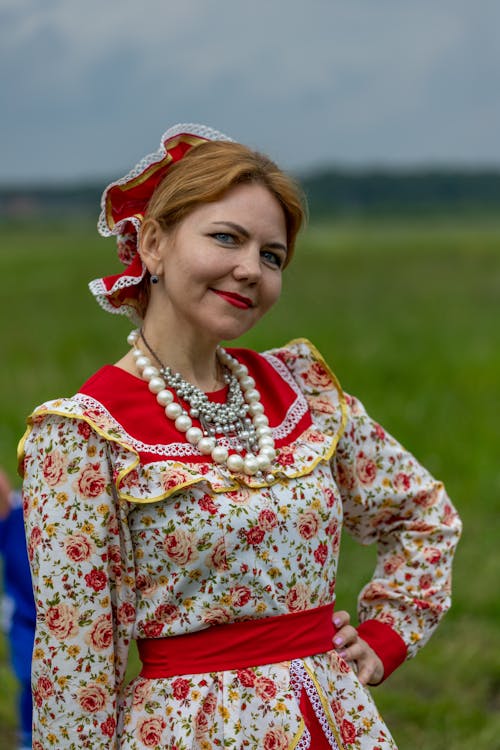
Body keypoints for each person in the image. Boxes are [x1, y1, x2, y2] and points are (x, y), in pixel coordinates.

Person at [19, 123, 461, 750]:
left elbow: (423, 513)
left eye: (272, 255)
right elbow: (76, 666)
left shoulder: (300, 391)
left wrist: (386, 635)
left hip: (332, 721)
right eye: (226, 238)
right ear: (152, 243)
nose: (250, 269)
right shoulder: (84, 436)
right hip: (193, 731)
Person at [0, 469, 35, 750]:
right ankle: (28, 738)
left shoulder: (27, 506)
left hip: (57, 615)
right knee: (29, 680)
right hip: (24, 618)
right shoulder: (7, 520)